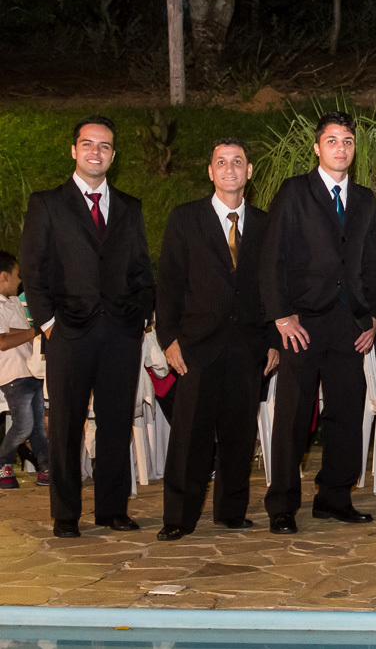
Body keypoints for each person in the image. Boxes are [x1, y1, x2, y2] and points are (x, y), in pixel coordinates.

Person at [20, 116, 155, 537]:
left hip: (120, 332)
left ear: (113, 155)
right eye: (88, 144)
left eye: (105, 146)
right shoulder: (47, 203)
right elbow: (33, 269)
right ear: (74, 150)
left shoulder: (130, 207)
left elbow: (142, 269)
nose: (96, 151)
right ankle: (66, 513)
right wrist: (48, 324)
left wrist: (140, 316)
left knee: (116, 423)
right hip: (68, 332)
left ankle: (112, 509)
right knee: (65, 425)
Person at [260, 111, 376, 535]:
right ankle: (282, 504)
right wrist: (280, 316)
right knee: (293, 416)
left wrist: (372, 316)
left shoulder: (365, 199)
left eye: (347, 141)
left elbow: (372, 262)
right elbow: (271, 256)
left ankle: (335, 497)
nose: (341, 148)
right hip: (303, 323)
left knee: (346, 412)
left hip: (350, 324)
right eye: (332, 141)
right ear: (316, 148)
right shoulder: (295, 192)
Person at [154, 139, 279, 541]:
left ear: (249, 171)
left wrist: (273, 340)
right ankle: (179, 516)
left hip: (248, 347)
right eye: (221, 162)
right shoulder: (185, 218)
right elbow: (168, 284)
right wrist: (169, 339)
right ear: (210, 171)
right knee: (190, 435)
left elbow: (274, 287)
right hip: (196, 346)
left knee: (239, 434)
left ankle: (231, 511)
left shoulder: (264, 223)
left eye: (237, 162)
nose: (229, 169)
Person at [0, 251, 50, 490]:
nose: (19, 281)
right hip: (12, 373)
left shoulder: (13, 302)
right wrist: (34, 332)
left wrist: (33, 335)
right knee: (23, 426)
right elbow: (2, 342)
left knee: (39, 426)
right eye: (16, 275)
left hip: (30, 369)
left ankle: (46, 468)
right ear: (3, 276)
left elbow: (13, 333)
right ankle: (3, 462)